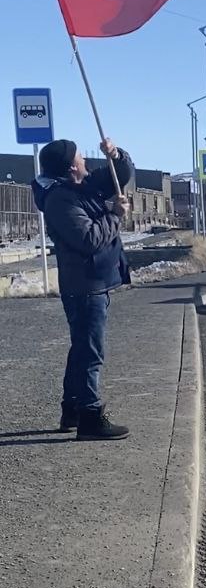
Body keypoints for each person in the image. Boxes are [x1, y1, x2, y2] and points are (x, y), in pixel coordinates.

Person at [32, 138, 133, 441]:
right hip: (84, 285)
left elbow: (121, 174)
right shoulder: (61, 199)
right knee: (90, 352)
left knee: (81, 349)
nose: (86, 161)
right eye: (81, 157)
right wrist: (115, 215)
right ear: (71, 166)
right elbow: (88, 239)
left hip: (92, 282)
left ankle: (72, 410)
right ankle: (90, 417)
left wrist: (116, 154)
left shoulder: (83, 185)